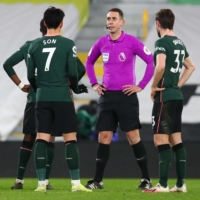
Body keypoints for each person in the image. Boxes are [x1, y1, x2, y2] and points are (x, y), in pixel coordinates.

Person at [85, 8, 154, 190]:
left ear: (121, 22)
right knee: (104, 136)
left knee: (132, 136)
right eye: (108, 19)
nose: (110, 22)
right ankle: (98, 180)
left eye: (114, 19)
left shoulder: (131, 41)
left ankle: (146, 179)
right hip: (107, 97)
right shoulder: (101, 42)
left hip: (126, 96)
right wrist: (94, 83)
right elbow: (89, 62)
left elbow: (150, 61)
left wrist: (141, 85)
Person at [27, 7, 91, 193]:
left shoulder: (34, 46)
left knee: (42, 138)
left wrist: (39, 88)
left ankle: (41, 184)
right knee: (70, 139)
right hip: (62, 97)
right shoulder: (67, 44)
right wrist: (73, 86)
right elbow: (73, 72)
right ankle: (76, 183)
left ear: (45, 23)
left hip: (42, 97)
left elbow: (31, 75)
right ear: (61, 24)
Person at [143, 9, 195, 193]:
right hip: (177, 97)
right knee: (176, 139)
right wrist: (178, 85)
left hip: (165, 96)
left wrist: (153, 86)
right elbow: (191, 66)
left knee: (160, 139)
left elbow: (161, 66)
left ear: (158, 23)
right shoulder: (179, 43)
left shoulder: (162, 42)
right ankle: (181, 184)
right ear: (172, 22)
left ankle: (163, 185)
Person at [3, 19, 55, 190]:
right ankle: (45, 182)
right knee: (49, 139)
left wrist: (20, 85)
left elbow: (7, 64)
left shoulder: (30, 46)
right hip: (52, 99)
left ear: (41, 28)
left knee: (29, 138)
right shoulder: (60, 46)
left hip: (34, 99)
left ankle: (19, 180)